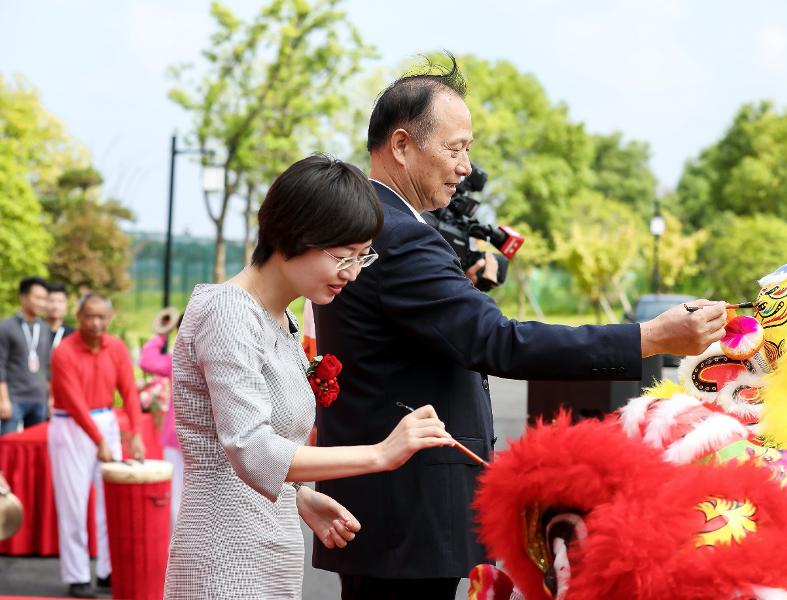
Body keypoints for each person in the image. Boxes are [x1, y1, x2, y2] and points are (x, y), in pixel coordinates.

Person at [311, 54, 729, 599]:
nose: (465, 167)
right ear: (402, 146)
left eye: (469, 149)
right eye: (455, 148)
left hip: (391, 511)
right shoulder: (401, 237)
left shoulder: (373, 222)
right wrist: (648, 337)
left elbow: (427, 331)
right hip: (408, 515)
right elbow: (499, 342)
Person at [163, 154, 455, 600]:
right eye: (343, 256)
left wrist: (297, 496)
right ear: (292, 236)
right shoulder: (227, 310)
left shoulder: (284, 319)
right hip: (223, 557)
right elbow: (252, 448)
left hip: (271, 550)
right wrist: (380, 454)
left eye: (363, 257)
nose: (353, 274)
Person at [48, 292, 145, 599]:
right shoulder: (63, 351)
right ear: (78, 316)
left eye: (102, 316)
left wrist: (137, 433)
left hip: (105, 421)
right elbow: (74, 402)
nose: (96, 322)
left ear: (110, 317)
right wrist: (98, 439)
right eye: (89, 315)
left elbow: (129, 391)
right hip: (70, 427)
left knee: (112, 502)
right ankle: (77, 576)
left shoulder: (115, 347)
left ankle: (107, 570)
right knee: (74, 503)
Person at [138, 307, 183, 531]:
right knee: (178, 497)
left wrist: (162, 334)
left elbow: (147, 360)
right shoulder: (176, 360)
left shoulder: (177, 359)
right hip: (180, 439)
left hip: (186, 439)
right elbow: (147, 361)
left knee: (179, 496)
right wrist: (162, 333)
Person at [0, 277, 52, 435]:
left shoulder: (44, 328)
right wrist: (4, 400)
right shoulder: (6, 327)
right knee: (6, 446)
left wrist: (50, 398)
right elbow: (0, 364)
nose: (42, 303)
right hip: (14, 398)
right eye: (37, 298)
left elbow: (47, 366)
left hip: (39, 399)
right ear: (23, 297)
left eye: (44, 299)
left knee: (35, 450)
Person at [45, 283, 77, 351]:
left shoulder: (72, 334)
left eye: (60, 301)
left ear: (66, 306)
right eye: (51, 301)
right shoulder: (37, 329)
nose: (55, 305)